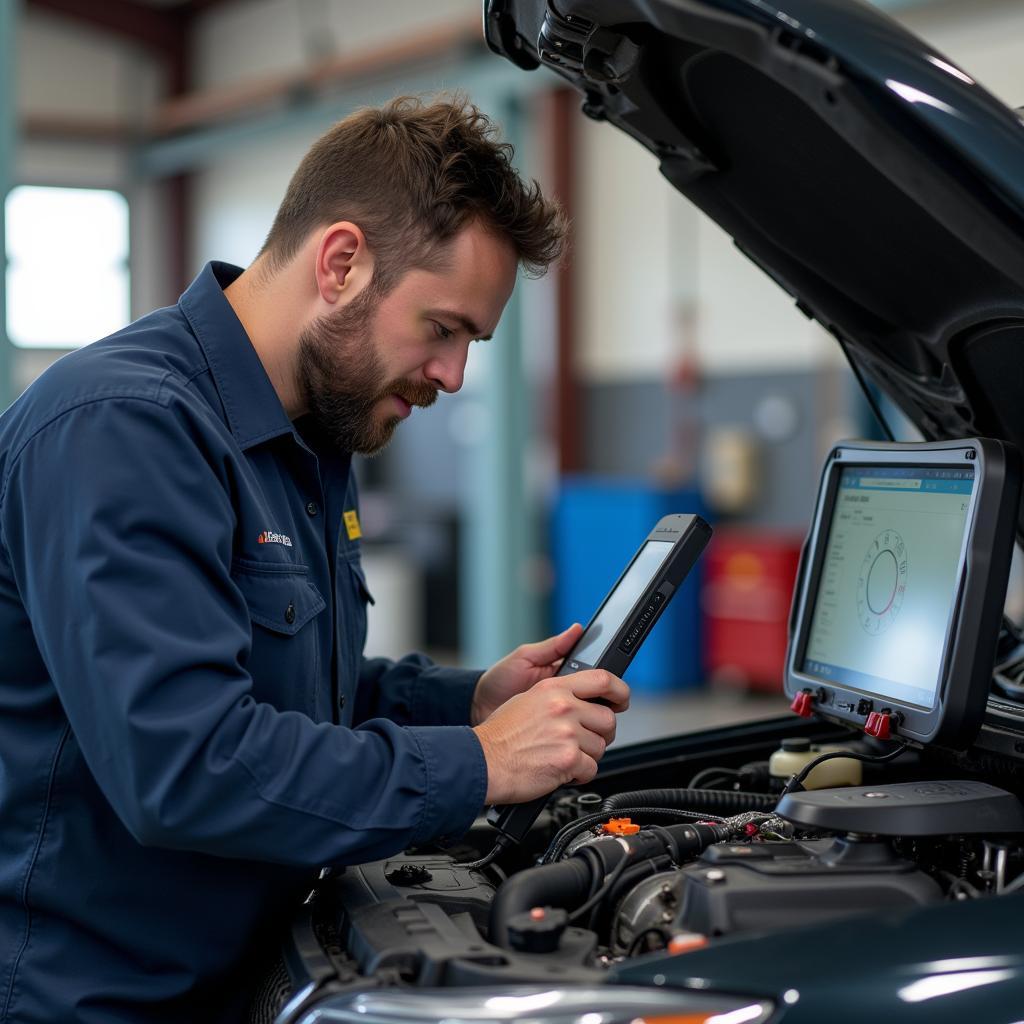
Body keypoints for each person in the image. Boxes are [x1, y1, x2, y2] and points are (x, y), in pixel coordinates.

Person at [0, 95, 630, 1023]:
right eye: (444, 329)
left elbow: (293, 692)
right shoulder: (124, 427)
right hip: (93, 1002)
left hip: (240, 973)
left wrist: (471, 703)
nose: (453, 377)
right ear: (341, 263)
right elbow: (188, 766)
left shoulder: (313, 439)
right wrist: (478, 762)